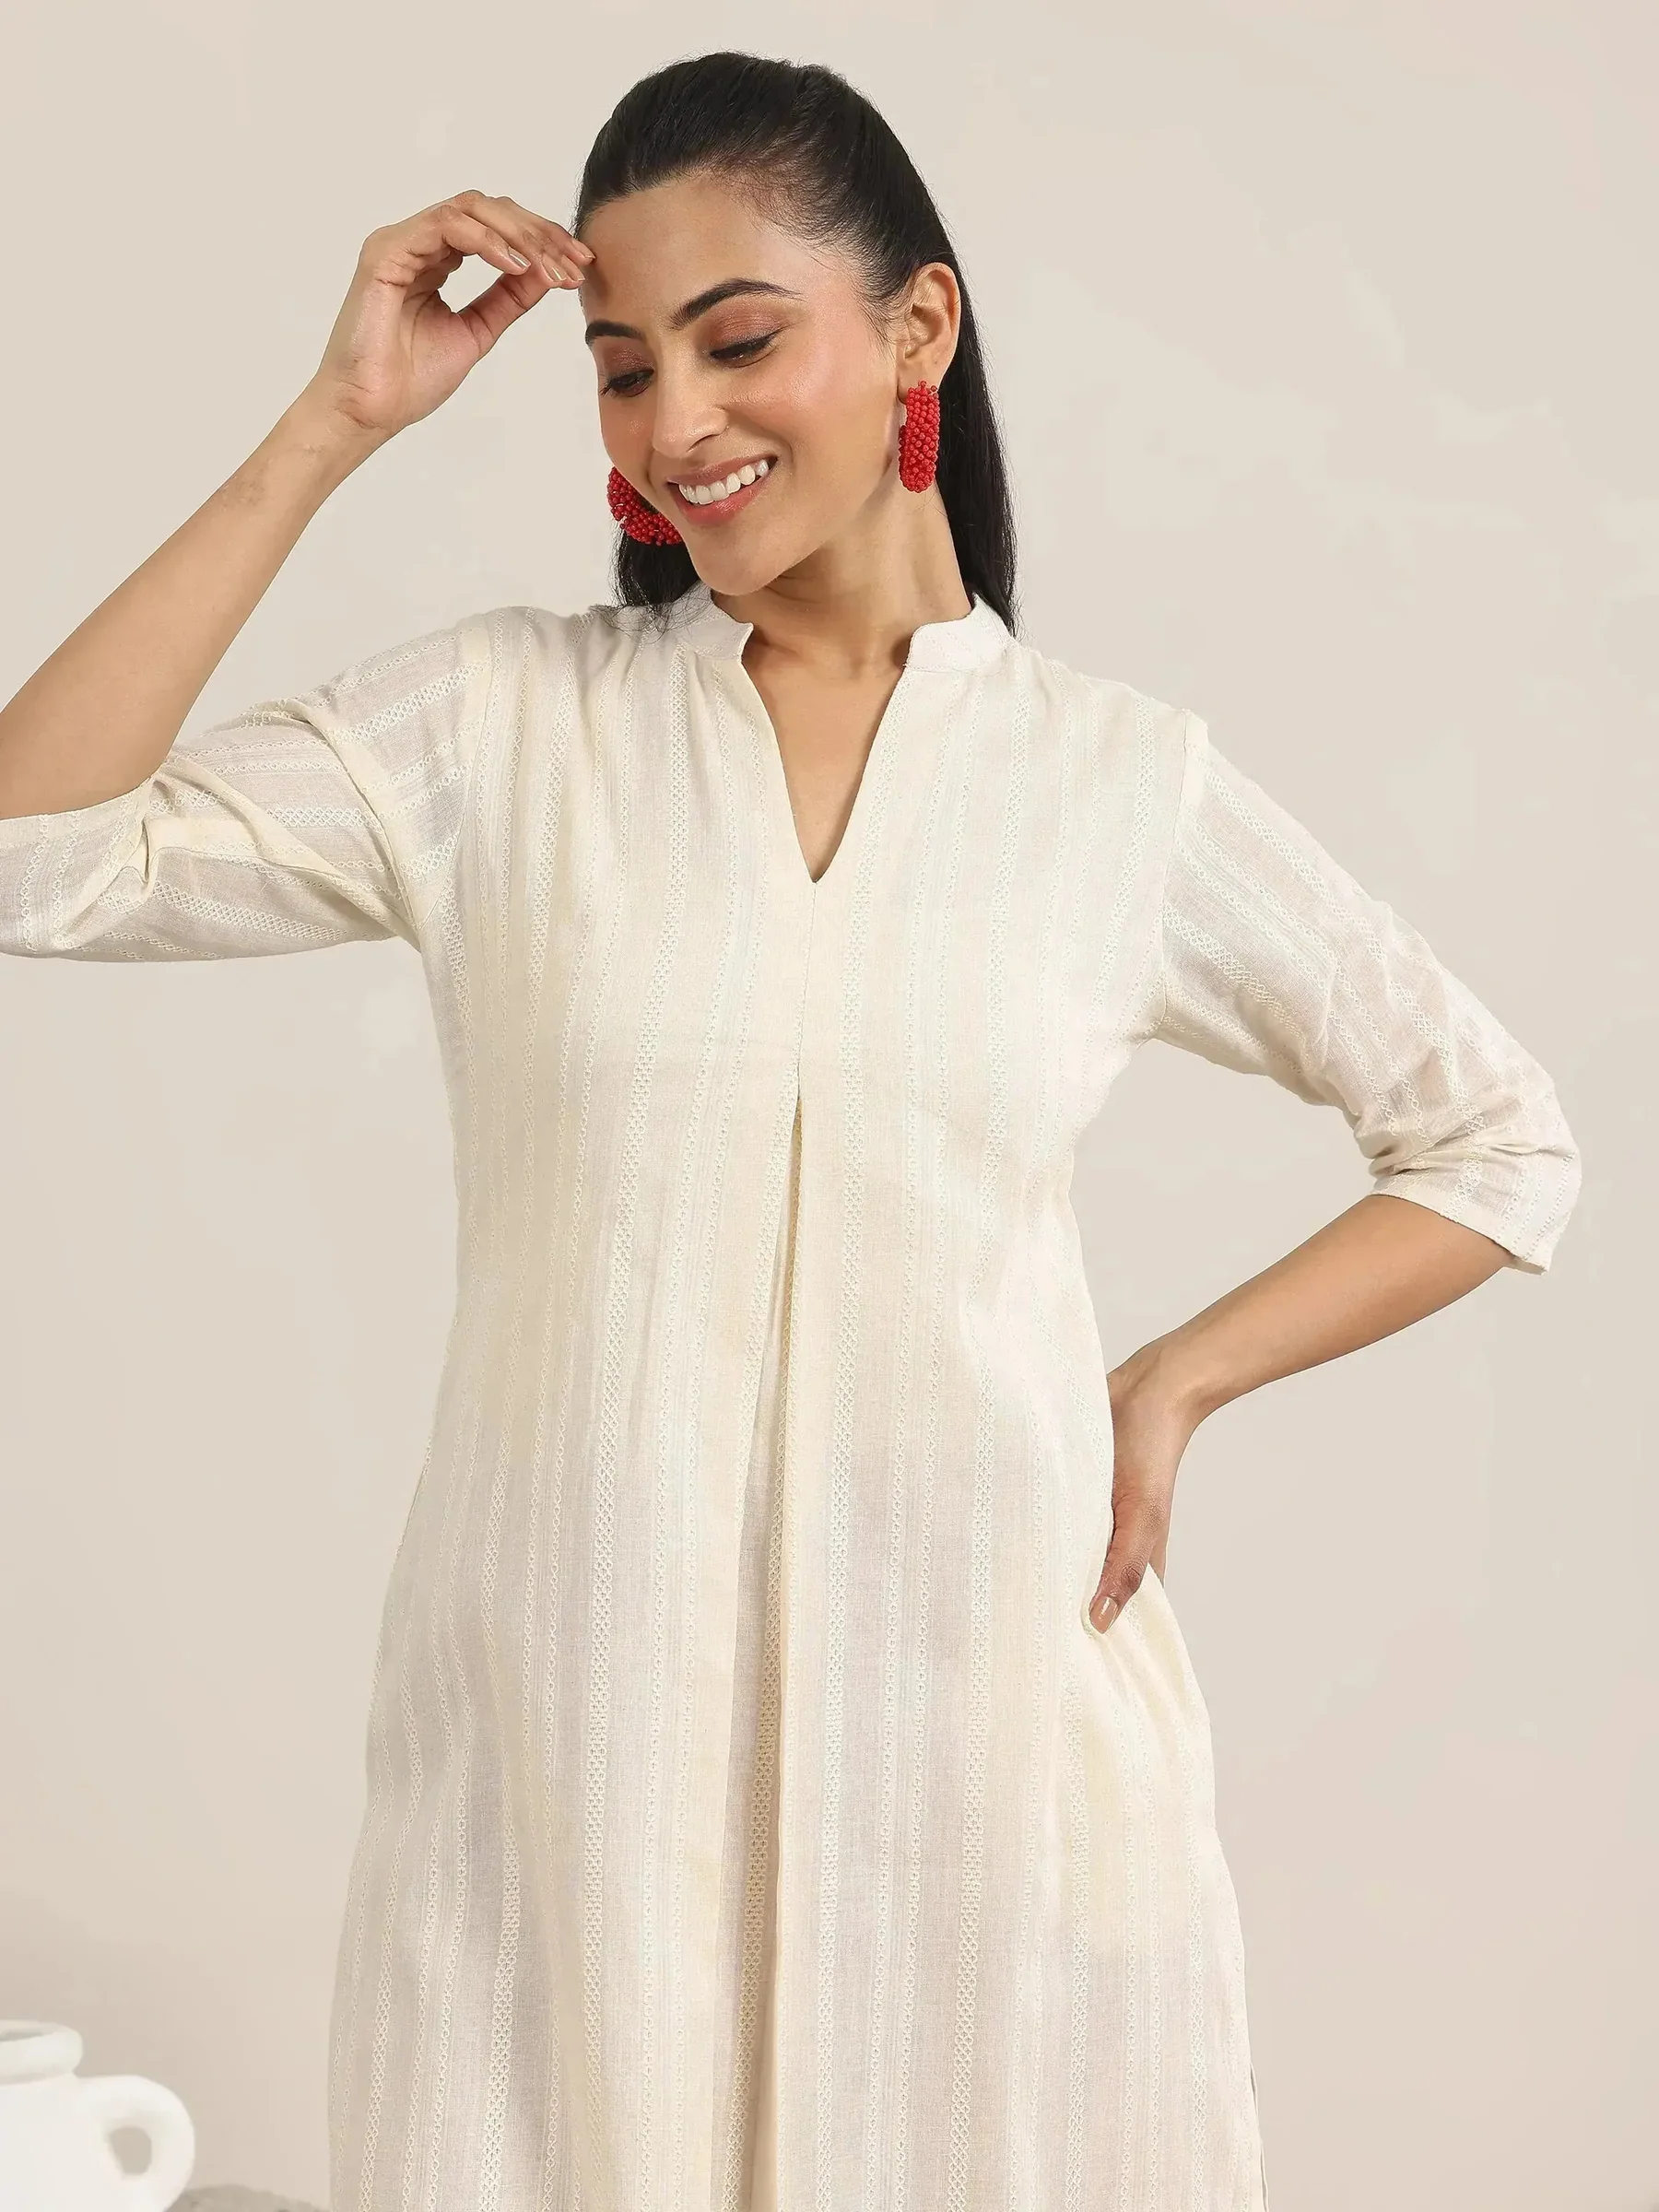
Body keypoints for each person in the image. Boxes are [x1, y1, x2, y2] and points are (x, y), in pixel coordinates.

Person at [0, 49, 1581, 2212]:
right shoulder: (506, 729)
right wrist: (333, 426)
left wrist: (1174, 1383)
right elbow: (31, 857)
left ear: (919, 330)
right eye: (621, 369)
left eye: (739, 342)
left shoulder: (1112, 788)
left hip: (983, 1806)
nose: (676, 426)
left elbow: (1496, 1140)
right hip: (566, 1805)